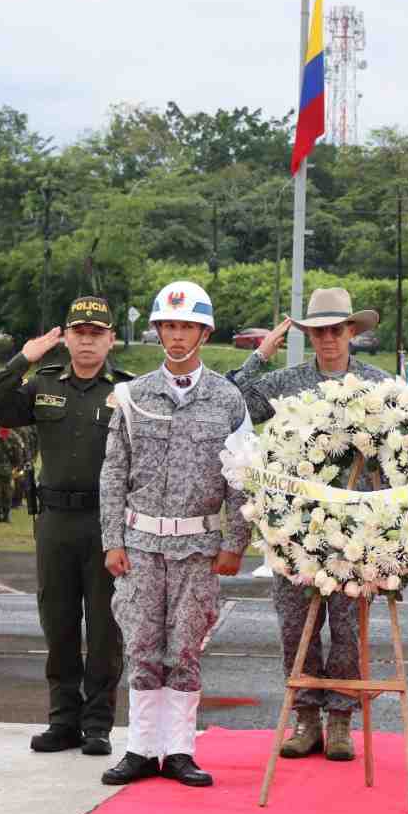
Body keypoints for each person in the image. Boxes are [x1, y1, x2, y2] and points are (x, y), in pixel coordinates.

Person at [226, 286, 391, 762]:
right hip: (293, 530)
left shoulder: (379, 385)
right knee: (295, 626)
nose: (328, 340)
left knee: (346, 628)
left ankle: (340, 720)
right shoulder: (286, 382)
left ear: (352, 332)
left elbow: (400, 450)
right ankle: (306, 717)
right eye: (319, 332)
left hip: (353, 531)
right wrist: (261, 354)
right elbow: (231, 402)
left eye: (336, 330)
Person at [98, 281, 250, 788]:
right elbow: (114, 472)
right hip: (140, 544)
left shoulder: (228, 399)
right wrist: (111, 540)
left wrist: (235, 543)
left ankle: (180, 750)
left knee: (185, 647)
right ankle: (141, 748)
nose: (177, 336)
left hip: (199, 549)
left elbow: (242, 477)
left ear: (204, 333)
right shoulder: (134, 396)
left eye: (187, 326)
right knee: (141, 644)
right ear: (158, 330)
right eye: (169, 326)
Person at [0, 295, 132, 756]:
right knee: (58, 622)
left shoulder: (127, 391)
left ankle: (99, 724)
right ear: (65, 337)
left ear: (111, 340)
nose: (87, 342)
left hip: (107, 524)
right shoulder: (42, 383)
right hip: (55, 521)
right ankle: (62, 720)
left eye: (96, 334)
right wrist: (24, 357)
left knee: (105, 628)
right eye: (79, 333)